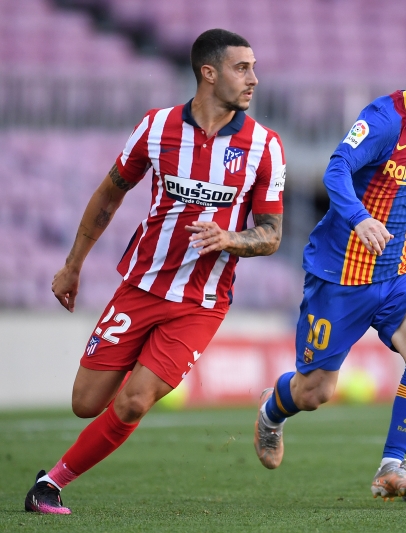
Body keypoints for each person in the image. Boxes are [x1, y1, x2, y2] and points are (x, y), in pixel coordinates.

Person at [24, 29, 286, 515]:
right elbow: (109, 195)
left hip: (201, 303)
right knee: (86, 403)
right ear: (209, 73)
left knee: (134, 401)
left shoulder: (265, 146)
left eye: (253, 68)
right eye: (242, 68)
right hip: (141, 286)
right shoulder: (156, 127)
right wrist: (72, 266)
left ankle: (50, 484)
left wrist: (231, 238)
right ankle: (133, 375)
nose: (254, 78)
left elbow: (271, 234)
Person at [253, 36, 406, 502]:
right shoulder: (383, 121)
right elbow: (336, 170)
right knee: (314, 392)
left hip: (398, 272)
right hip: (340, 275)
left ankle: (391, 467)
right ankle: (270, 413)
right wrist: (360, 218)